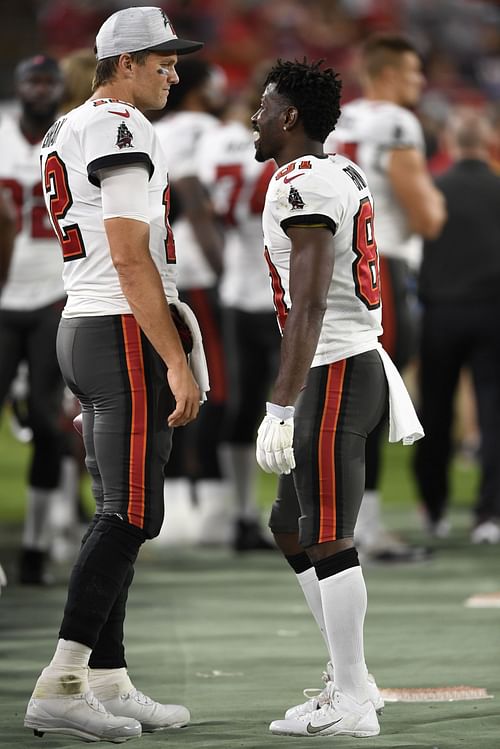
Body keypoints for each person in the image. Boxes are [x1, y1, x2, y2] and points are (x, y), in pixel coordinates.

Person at [25, 6, 205, 742]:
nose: (175, 71)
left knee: (119, 507)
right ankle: (63, 680)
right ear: (123, 64)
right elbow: (131, 257)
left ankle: (107, 675)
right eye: (161, 60)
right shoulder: (120, 126)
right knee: (132, 510)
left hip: (84, 322)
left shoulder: (71, 123)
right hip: (117, 327)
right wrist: (173, 355)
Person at [251, 59, 423, 738]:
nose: (254, 117)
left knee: (326, 531)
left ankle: (353, 696)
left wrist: (281, 402)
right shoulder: (338, 169)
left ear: (289, 116)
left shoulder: (304, 183)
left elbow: (313, 300)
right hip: (343, 360)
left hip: (338, 365)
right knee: (290, 524)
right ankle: (350, 675)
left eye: (265, 107)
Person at [325, 33, 447, 561]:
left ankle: (344, 521)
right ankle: (365, 529)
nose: (419, 84)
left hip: (337, 267)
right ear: (391, 74)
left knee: (351, 396)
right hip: (383, 265)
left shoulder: (341, 119)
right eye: (414, 73)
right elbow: (426, 216)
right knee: (374, 399)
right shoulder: (396, 123)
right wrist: (436, 204)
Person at [197, 85, 280, 551]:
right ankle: (300, 514)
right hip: (279, 295)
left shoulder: (213, 148)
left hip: (234, 289)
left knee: (242, 407)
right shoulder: (285, 150)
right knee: (296, 408)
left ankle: (243, 515)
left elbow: (198, 197)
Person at [154, 58, 231, 545]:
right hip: (199, 269)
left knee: (173, 379)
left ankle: (180, 497)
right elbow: (193, 199)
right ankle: (201, 500)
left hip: (163, 265)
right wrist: (226, 267)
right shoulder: (209, 132)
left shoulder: (155, 129)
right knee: (211, 385)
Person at [414, 108, 500, 544]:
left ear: (449, 141)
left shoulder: (431, 188)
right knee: (493, 415)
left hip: (440, 314)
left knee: (435, 413)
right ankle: (489, 515)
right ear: (487, 141)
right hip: (493, 314)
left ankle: (434, 509)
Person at [0, 55, 67, 585]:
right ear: (19, 86)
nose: (40, 89)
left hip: (53, 294)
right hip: (3, 299)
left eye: (49, 81)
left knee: (48, 423)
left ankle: (37, 546)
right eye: (32, 80)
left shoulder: (72, 137)